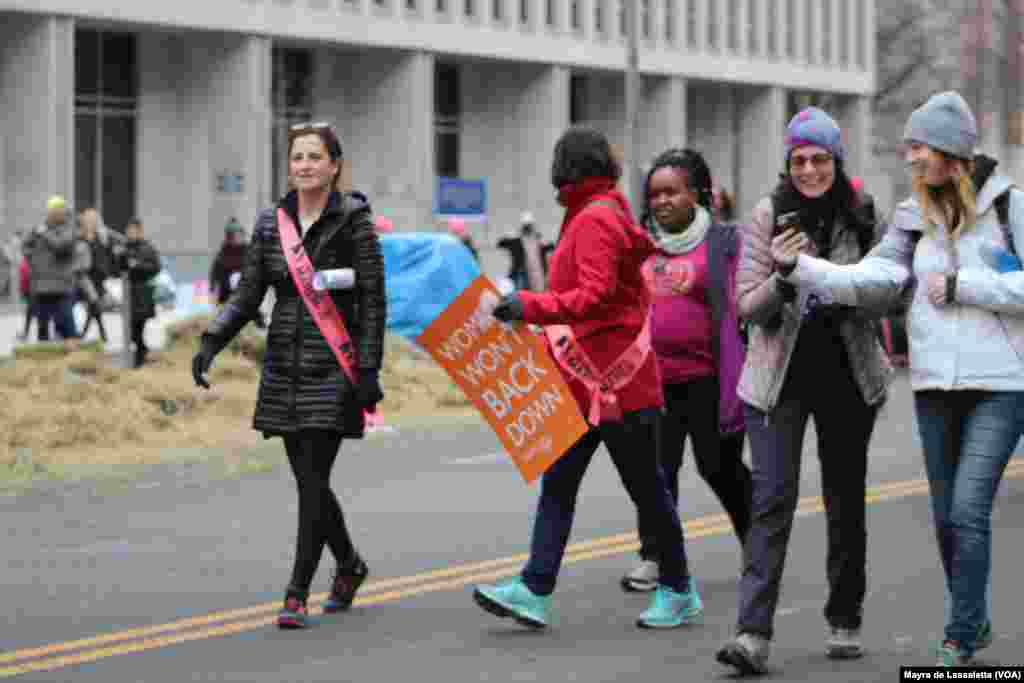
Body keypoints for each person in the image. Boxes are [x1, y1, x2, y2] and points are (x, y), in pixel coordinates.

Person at [774, 92, 1023, 667]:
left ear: (950, 153)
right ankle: (974, 614)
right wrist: (800, 268)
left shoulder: (1010, 209)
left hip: (1003, 385)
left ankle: (959, 637)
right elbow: (872, 278)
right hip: (936, 386)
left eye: (918, 147)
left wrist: (966, 288)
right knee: (945, 519)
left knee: (968, 509)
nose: (908, 157)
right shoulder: (913, 218)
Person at [472, 125, 703, 631]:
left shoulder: (595, 218)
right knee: (561, 484)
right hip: (593, 382)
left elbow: (595, 297)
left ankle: (680, 589)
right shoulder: (598, 212)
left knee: (647, 491)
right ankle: (534, 588)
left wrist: (526, 306)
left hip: (617, 385)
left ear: (569, 166)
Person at [191, 121, 386, 630]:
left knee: (311, 480)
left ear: (334, 165)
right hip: (284, 365)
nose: (304, 165)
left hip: (335, 366)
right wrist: (212, 340)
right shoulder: (269, 223)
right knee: (309, 479)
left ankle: (297, 590)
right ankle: (348, 565)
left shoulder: (354, 222)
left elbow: (373, 300)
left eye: (314, 156)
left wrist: (368, 368)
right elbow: (248, 293)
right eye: (297, 157)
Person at [715, 107, 890, 675]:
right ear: (787, 164)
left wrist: (845, 285)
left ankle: (845, 616)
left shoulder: (862, 215)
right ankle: (751, 634)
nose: (810, 169)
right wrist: (785, 276)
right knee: (771, 500)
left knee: (845, 500)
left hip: (847, 373)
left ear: (837, 161)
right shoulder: (768, 215)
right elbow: (745, 305)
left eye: (820, 159)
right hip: (777, 378)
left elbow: (894, 295)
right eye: (799, 160)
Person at [621, 149, 751, 593]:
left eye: (671, 192)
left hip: (709, 378)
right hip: (652, 379)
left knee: (718, 466)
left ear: (694, 194)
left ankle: (758, 544)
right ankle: (656, 555)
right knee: (656, 470)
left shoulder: (722, 242)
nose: (661, 201)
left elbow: (740, 304)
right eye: (654, 194)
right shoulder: (641, 243)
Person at [23, 196, 78, 342]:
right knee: (42, 329)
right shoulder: (39, 229)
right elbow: (26, 245)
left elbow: (61, 246)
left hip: (61, 286)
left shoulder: (69, 229)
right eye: (53, 211)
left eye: (59, 211)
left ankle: (73, 358)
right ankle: (44, 361)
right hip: (41, 286)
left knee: (67, 326)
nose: (56, 214)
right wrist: (34, 262)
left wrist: (45, 233)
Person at [117, 218, 161, 367]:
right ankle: (142, 357)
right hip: (128, 294)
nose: (130, 234)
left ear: (140, 231)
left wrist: (138, 266)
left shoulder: (147, 248)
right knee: (130, 331)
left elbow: (155, 268)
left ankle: (140, 359)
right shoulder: (124, 248)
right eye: (128, 231)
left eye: (134, 231)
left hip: (143, 294)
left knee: (137, 330)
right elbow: (119, 269)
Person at [210, 218, 266, 328]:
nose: (236, 238)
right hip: (227, 294)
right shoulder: (223, 253)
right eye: (232, 235)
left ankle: (260, 327)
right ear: (228, 237)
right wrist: (212, 288)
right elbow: (215, 273)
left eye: (238, 235)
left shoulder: (249, 251)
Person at [497, 212, 551, 291]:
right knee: (522, 296)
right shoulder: (517, 241)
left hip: (538, 277)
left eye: (529, 226)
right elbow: (501, 243)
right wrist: (511, 235)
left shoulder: (538, 240)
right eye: (526, 226)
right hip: (522, 275)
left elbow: (551, 246)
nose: (528, 229)